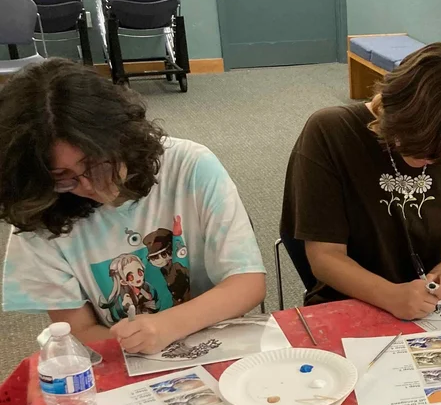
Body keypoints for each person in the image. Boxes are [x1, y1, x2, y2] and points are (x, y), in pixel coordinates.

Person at [0, 59, 265, 355]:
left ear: (123, 136)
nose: (91, 186)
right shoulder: (40, 211)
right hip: (123, 357)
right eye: (64, 178)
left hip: (214, 341)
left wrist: (166, 327)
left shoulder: (190, 167)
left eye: (97, 164)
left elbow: (247, 282)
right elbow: (80, 330)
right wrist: (146, 344)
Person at [281, 42, 441, 319]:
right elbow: (325, 258)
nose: (430, 161)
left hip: (435, 307)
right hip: (350, 304)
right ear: (394, 110)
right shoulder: (331, 133)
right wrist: (393, 296)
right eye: (421, 148)